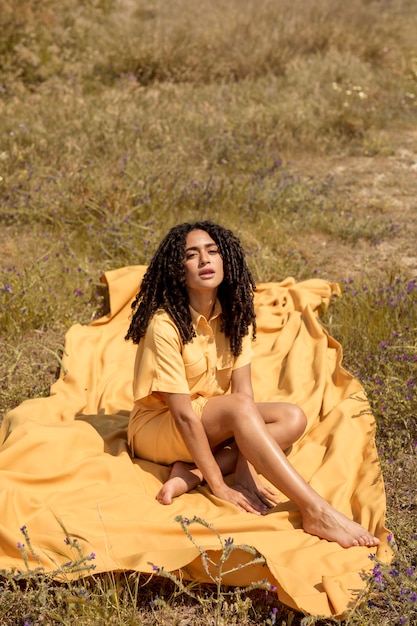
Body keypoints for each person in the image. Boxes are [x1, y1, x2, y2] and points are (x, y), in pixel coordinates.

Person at [125, 221, 379, 548]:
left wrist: (248, 467)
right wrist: (220, 485)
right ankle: (316, 510)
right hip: (160, 427)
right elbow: (185, 415)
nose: (205, 260)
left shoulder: (236, 313)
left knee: (292, 417)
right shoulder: (165, 324)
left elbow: (243, 391)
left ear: (226, 260)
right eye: (192, 255)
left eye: (213, 252)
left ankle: (192, 473)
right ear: (177, 269)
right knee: (240, 409)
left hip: (213, 417)